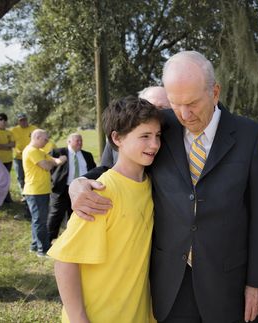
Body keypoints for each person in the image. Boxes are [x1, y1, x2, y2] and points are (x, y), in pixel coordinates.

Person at [69, 51, 258, 323]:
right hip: (169, 281)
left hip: (227, 281)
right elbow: (119, 162)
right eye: (176, 104)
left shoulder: (250, 134)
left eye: (192, 103)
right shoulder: (162, 126)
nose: (184, 114)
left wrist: (257, 282)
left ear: (214, 92)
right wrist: (79, 182)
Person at [48, 97, 161, 323]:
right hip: (98, 314)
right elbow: (65, 261)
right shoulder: (101, 192)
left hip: (135, 313)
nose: (155, 144)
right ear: (117, 138)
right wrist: (79, 318)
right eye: (145, 136)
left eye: (158, 136)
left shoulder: (150, 185)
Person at [100, 86, 170, 168]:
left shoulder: (177, 137)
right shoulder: (121, 134)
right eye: (149, 107)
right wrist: (83, 178)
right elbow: (105, 168)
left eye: (163, 108)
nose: (155, 113)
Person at [23, 129, 67, 257]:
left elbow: (56, 161)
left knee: (38, 220)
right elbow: (48, 166)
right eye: (45, 139)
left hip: (41, 190)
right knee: (40, 221)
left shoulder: (40, 151)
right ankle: (43, 249)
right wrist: (54, 161)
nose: (47, 141)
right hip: (35, 191)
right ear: (36, 137)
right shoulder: (31, 151)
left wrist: (56, 160)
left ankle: (35, 245)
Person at [47, 133, 96, 242]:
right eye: (77, 140)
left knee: (75, 215)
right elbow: (48, 167)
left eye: (81, 141)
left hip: (80, 191)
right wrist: (53, 181)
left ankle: (73, 239)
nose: (80, 143)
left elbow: (93, 170)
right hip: (61, 189)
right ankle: (49, 240)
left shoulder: (87, 155)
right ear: (69, 142)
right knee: (56, 215)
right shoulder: (58, 152)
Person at [10, 113, 37, 194]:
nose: (23, 122)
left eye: (24, 120)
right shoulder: (13, 130)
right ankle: (24, 193)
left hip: (32, 157)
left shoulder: (34, 129)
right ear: (18, 122)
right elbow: (12, 143)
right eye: (21, 120)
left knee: (32, 175)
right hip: (18, 157)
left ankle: (33, 191)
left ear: (27, 120)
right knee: (20, 176)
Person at [0, 113, 15, 202]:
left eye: (5, 119)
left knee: (7, 179)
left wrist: (3, 146)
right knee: (0, 180)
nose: (3, 121)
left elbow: (13, 144)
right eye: (0, 119)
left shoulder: (9, 132)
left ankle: (6, 198)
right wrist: (8, 146)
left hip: (8, 160)